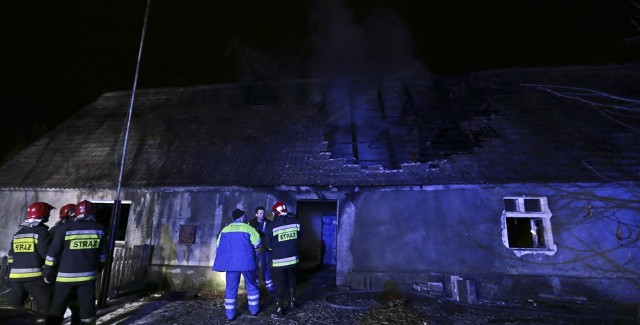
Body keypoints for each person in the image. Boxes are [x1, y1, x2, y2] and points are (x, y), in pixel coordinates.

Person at [44, 200, 106, 325]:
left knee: (57, 309)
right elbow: (103, 256)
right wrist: (97, 269)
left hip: (64, 278)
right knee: (87, 309)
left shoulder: (64, 228)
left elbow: (52, 254)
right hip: (87, 278)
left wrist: (48, 273)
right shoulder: (99, 229)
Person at [212, 208, 262, 320]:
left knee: (231, 288)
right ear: (242, 216)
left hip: (231, 265)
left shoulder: (225, 230)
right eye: (244, 216)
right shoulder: (248, 228)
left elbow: (218, 245)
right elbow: (258, 243)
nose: (245, 217)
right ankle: (254, 310)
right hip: (247, 263)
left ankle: (230, 315)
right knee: (251, 285)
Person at [6, 202, 54, 314]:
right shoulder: (41, 232)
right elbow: (46, 254)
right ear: (44, 214)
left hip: (15, 279)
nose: (49, 216)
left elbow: (11, 257)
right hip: (34, 278)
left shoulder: (18, 234)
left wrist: (9, 277)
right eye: (48, 213)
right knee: (47, 307)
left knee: (14, 311)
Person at [265, 201, 301, 318]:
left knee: (279, 284)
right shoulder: (295, 222)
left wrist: (275, 248)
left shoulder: (272, 225)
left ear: (276, 212)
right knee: (292, 280)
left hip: (279, 261)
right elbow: (300, 237)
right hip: (293, 259)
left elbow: (268, 244)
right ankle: (292, 302)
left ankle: (280, 309)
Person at [48, 203, 82, 325]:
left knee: (60, 305)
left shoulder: (57, 229)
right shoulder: (57, 230)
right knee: (69, 304)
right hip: (66, 271)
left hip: (61, 272)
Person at [248, 206, 274, 293]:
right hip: (254, 250)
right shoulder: (251, 223)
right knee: (254, 268)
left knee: (266, 268)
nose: (262, 215)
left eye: (263, 213)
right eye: (260, 213)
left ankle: (270, 289)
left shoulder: (269, 222)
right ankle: (256, 287)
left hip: (265, 249)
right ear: (256, 214)